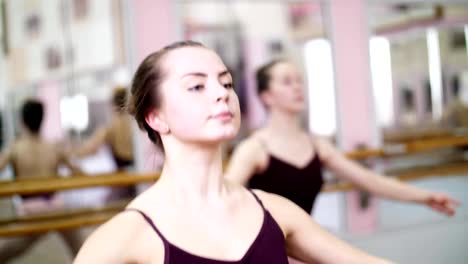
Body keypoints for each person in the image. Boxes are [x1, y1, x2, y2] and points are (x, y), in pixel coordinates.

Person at [74, 41, 391, 263]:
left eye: (226, 84)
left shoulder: (275, 211)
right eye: (197, 86)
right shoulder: (126, 235)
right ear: (156, 117)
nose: (221, 95)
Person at [226, 59, 459, 216]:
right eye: (287, 82)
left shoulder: (317, 145)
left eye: (299, 81)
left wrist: (426, 197)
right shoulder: (254, 149)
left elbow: (370, 181)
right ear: (266, 96)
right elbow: (219, 198)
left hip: (304, 247)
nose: (297, 87)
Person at [0, 99, 84, 262]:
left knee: (6, 252)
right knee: (80, 249)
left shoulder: (16, 149)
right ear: (42, 119)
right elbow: (79, 172)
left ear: (22, 121)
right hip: (56, 208)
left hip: (32, 212)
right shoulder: (52, 147)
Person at [76, 87, 134, 169]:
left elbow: (90, 149)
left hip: (124, 174)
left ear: (112, 104)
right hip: (139, 169)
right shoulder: (136, 124)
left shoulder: (110, 128)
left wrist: (73, 153)